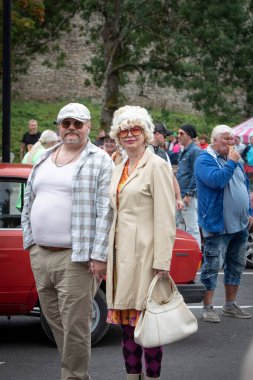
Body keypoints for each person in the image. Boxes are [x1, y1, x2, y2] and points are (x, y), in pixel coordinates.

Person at [21, 102, 113, 380]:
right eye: (66, 123)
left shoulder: (99, 160)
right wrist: (31, 241)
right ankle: (75, 372)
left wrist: (99, 256)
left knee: (75, 325)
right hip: (41, 253)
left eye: (77, 123)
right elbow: (29, 200)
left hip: (77, 257)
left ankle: (74, 376)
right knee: (54, 321)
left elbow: (105, 212)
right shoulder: (45, 156)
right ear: (59, 126)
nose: (71, 128)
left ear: (88, 127)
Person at [106, 105, 176, 380]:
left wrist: (162, 261)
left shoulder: (157, 165)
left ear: (146, 133)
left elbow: (166, 217)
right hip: (120, 258)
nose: (129, 135)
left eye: (135, 129)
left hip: (146, 258)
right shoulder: (119, 165)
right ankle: (131, 376)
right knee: (126, 325)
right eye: (124, 130)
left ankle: (153, 377)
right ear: (118, 135)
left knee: (148, 324)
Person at [194, 124, 252, 323]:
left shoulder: (234, 158)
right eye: (226, 139)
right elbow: (217, 181)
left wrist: (249, 212)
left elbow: (243, 184)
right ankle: (208, 307)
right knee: (211, 267)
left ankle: (230, 305)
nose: (231, 143)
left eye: (232, 139)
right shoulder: (204, 159)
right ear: (214, 141)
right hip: (217, 224)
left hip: (240, 224)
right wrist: (232, 162)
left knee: (236, 265)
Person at [176, 124, 201, 248]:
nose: (178, 136)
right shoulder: (185, 150)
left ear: (189, 135)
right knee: (173, 225)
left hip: (187, 195)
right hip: (180, 195)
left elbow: (197, 174)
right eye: (178, 133)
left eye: (181, 133)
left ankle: (196, 261)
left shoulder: (195, 151)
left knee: (192, 227)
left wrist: (189, 194)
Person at [150, 122, 184, 210]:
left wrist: (179, 197)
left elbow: (171, 176)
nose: (166, 138)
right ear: (157, 134)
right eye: (164, 135)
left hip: (161, 196)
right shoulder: (141, 151)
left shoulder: (164, 154)